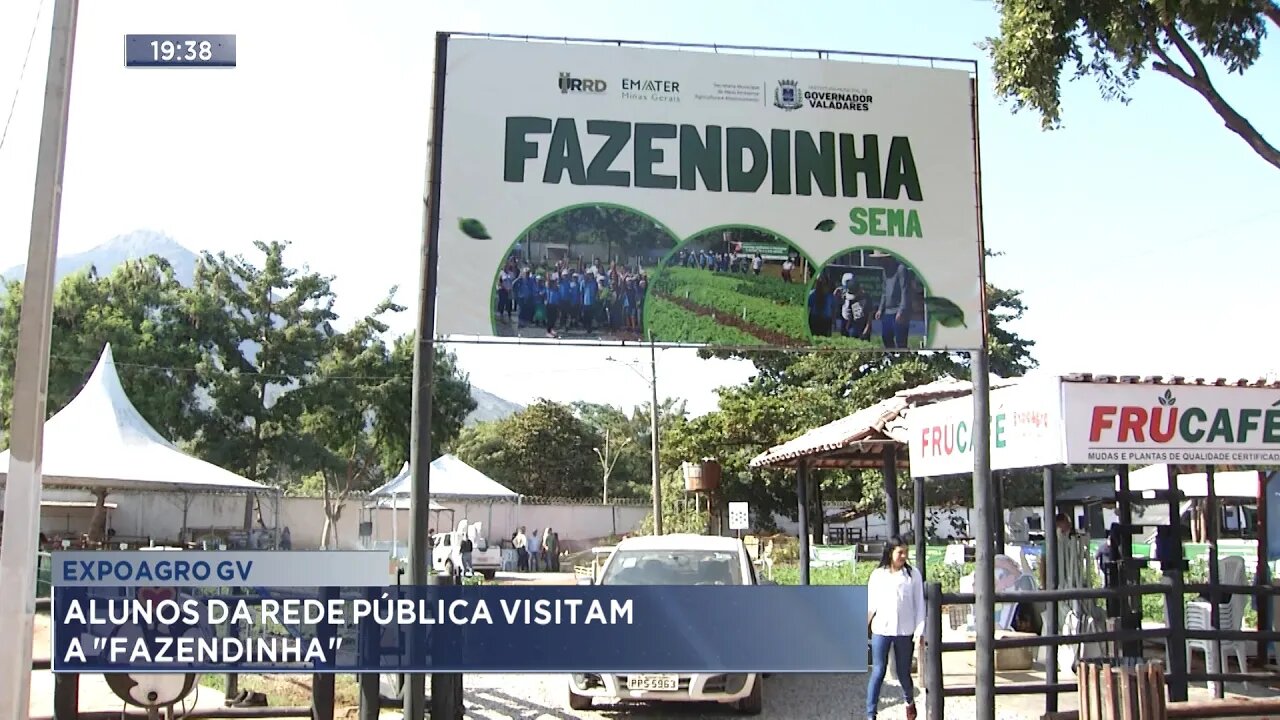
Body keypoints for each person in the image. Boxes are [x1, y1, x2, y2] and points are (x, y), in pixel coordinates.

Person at [866, 536, 924, 720]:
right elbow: (871, 604)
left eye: (906, 552)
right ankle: (871, 713)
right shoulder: (878, 575)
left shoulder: (913, 574)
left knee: (903, 673)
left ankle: (909, 701)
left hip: (904, 631)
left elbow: (919, 604)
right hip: (881, 629)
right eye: (900, 552)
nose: (904, 555)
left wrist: (920, 630)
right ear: (890, 552)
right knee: (878, 671)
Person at [876, 259, 912, 349]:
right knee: (886, 337)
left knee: (901, 341)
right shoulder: (885, 271)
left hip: (899, 311)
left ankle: (902, 360)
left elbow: (905, 291)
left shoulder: (901, 269)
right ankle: (891, 358)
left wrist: (901, 311)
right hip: (887, 312)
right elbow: (884, 292)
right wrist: (880, 309)